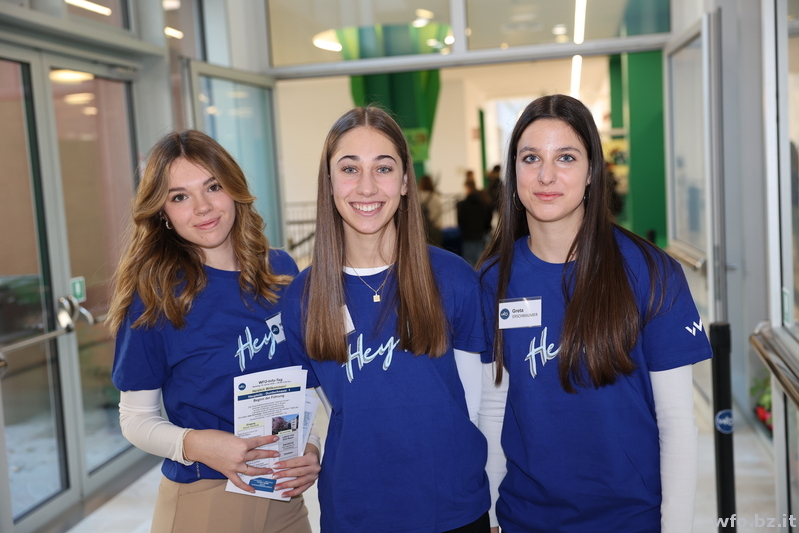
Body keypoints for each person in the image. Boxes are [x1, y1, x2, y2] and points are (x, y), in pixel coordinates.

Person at [477, 94, 712, 533]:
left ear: (591, 172)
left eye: (566, 157)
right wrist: (489, 515)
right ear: (514, 172)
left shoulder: (650, 271)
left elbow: (678, 421)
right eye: (531, 158)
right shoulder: (493, 279)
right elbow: (493, 407)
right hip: (524, 518)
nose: (546, 175)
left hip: (631, 520)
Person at [281, 106, 490, 533]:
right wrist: (307, 446)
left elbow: (479, 406)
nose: (367, 186)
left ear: (406, 181)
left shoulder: (453, 278)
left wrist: (498, 502)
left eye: (383, 168)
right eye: (349, 169)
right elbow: (314, 406)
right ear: (328, 182)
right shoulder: (303, 296)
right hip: (355, 511)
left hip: (453, 508)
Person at [107, 130, 320, 533]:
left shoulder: (280, 271)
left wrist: (310, 446)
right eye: (179, 196)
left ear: (234, 189)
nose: (202, 207)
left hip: (285, 497)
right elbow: (135, 419)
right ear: (163, 213)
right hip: (206, 497)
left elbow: (303, 385)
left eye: (213, 187)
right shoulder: (156, 296)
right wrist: (199, 445)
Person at [457, 177, 493, 267]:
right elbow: (487, 218)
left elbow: (460, 220)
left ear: (468, 188)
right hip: (480, 235)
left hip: (468, 236)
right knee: (480, 261)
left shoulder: (463, 204)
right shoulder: (483, 203)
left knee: (468, 261)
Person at [418, 174, 444, 246]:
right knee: (435, 249)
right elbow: (439, 211)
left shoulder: (418, 196)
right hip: (435, 228)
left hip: (422, 228)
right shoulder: (435, 197)